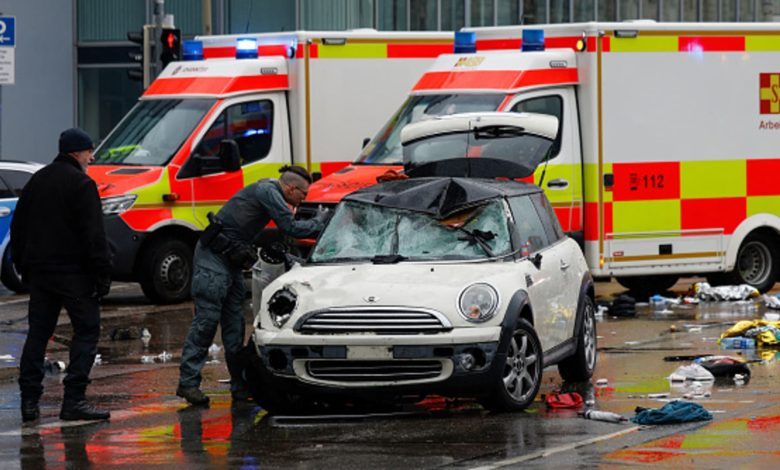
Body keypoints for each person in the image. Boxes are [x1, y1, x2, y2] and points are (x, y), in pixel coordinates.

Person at [176, 165, 326, 405]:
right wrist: (321, 221)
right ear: (290, 188)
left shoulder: (268, 190)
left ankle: (240, 386)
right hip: (213, 260)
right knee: (206, 323)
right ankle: (188, 383)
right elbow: (291, 228)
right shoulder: (269, 192)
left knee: (234, 327)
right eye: (303, 194)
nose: (303, 199)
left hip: (228, 260)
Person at [11, 128, 112, 422]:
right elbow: (94, 235)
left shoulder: (37, 181)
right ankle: (74, 401)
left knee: (38, 334)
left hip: (41, 274)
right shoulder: (81, 184)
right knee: (87, 331)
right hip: (75, 276)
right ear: (76, 152)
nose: (91, 157)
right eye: (89, 151)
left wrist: (22, 265)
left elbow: (19, 227)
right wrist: (102, 274)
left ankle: (29, 402)